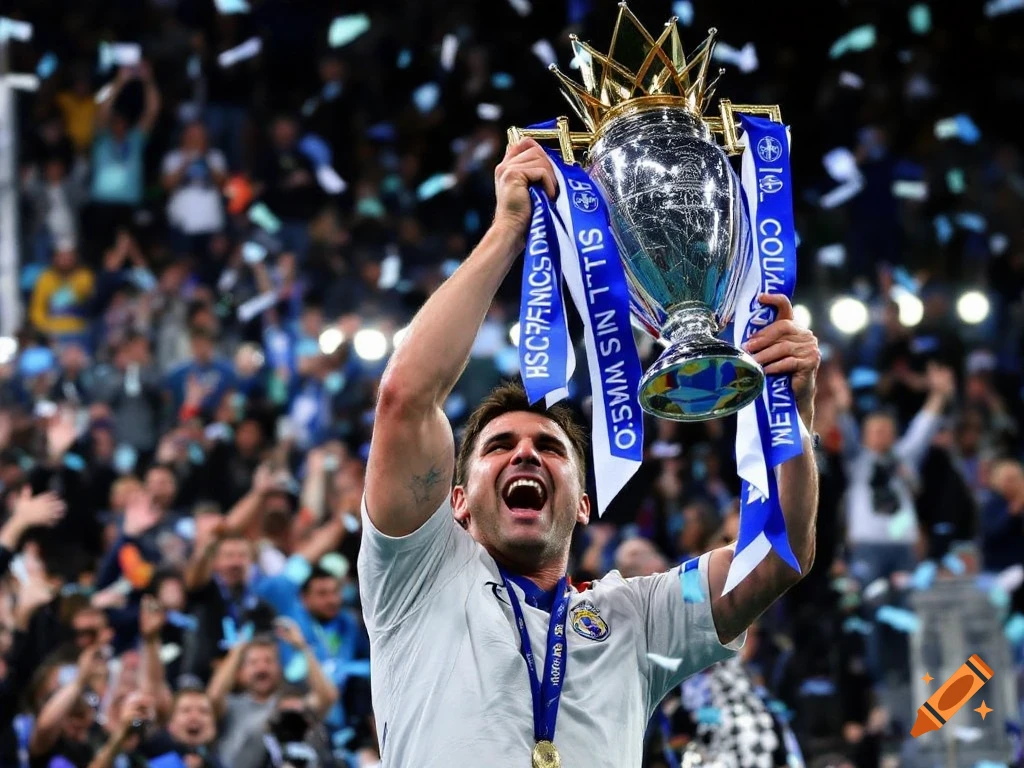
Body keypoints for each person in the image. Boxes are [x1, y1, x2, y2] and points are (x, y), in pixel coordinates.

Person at [357, 138, 822, 767]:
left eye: (550, 447)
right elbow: (406, 398)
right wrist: (508, 231)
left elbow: (777, 556)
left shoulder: (637, 618)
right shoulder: (418, 575)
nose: (526, 454)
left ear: (582, 503)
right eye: (499, 446)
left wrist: (791, 420)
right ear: (457, 503)